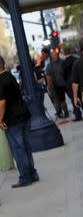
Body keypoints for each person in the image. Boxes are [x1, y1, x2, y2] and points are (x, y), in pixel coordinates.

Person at [0, 55, 39, 188]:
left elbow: (2, 103)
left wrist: (0, 120)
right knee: (26, 147)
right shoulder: (10, 76)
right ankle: (32, 174)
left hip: (12, 120)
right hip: (24, 115)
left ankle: (25, 178)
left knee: (18, 149)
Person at [61, 47, 83, 121]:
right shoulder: (76, 59)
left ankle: (78, 115)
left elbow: (64, 74)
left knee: (74, 99)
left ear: (64, 53)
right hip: (79, 81)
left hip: (70, 83)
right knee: (81, 97)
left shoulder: (64, 63)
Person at [46, 51, 69, 118]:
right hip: (58, 86)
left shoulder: (63, 62)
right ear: (51, 57)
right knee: (62, 100)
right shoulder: (49, 66)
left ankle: (77, 110)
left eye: (56, 55)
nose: (55, 56)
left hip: (66, 84)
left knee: (73, 98)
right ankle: (65, 112)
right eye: (53, 55)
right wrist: (50, 87)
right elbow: (48, 77)